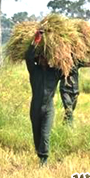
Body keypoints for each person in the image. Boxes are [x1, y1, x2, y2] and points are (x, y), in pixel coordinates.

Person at [25, 30, 62, 166]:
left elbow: (65, 64)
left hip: (48, 108)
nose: (44, 59)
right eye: (41, 57)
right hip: (35, 107)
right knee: (37, 135)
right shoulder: (34, 71)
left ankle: (44, 160)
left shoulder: (55, 73)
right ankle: (39, 156)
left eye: (46, 57)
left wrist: (59, 47)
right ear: (38, 59)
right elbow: (28, 57)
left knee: (45, 135)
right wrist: (36, 40)